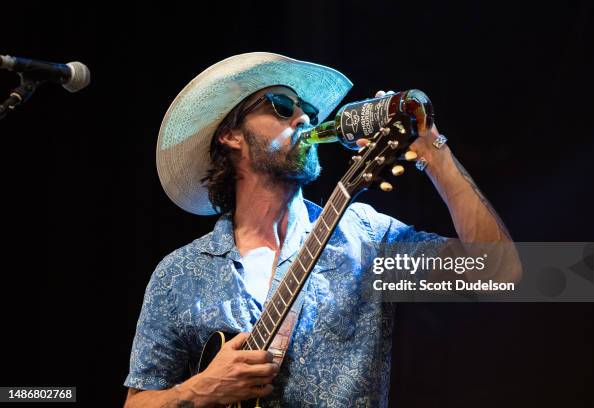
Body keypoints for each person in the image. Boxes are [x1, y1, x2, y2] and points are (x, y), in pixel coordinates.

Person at [123, 52, 521, 407]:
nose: (305, 118)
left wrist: (433, 151)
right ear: (231, 136)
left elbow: (499, 273)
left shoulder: (363, 236)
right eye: (282, 107)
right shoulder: (179, 273)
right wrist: (202, 389)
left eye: (308, 109)